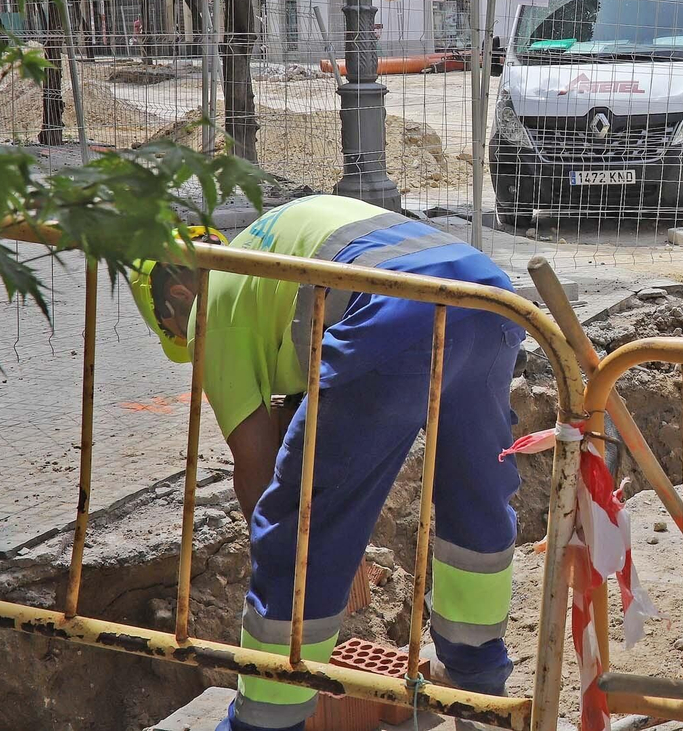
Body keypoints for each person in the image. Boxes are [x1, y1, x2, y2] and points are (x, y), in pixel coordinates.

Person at [131, 195, 526, 731]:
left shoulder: (214, 306)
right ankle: (477, 688)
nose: (190, 343)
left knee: (299, 526)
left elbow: (256, 465)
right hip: (486, 294)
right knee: (474, 495)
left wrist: (305, 557)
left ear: (179, 298)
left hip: (395, 309)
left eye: (177, 333)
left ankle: (265, 720)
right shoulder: (263, 252)